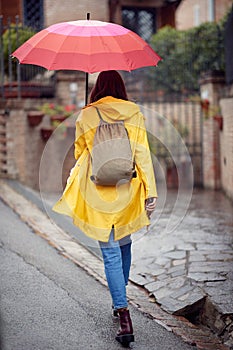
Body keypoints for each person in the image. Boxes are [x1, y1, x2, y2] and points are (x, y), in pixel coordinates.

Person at [53, 70, 157, 347]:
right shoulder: (133, 112)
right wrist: (151, 193)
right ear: (121, 87)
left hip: (98, 192)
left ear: (97, 88)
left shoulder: (86, 115)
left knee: (109, 252)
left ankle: (123, 313)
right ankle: (119, 300)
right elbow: (142, 153)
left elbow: (79, 152)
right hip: (127, 190)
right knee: (124, 244)